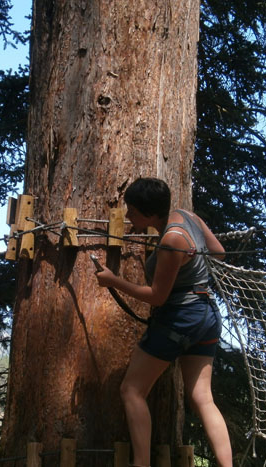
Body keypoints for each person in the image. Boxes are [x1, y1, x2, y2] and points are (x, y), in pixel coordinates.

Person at [94, 177, 233, 467]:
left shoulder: (172, 240)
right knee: (202, 398)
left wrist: (113, 281)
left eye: (132, 210)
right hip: (206, 314)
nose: (128, 215)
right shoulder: (187, 217)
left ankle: (141, 464)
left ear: (148, 212)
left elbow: (157, 297)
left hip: (179, 318)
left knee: (131, 390)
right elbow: (218, 252)